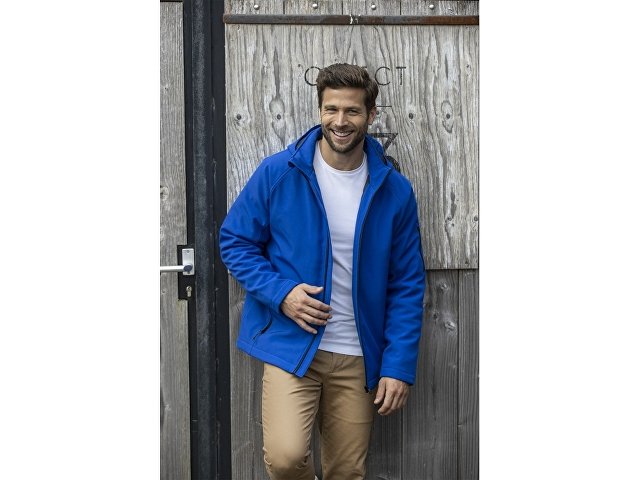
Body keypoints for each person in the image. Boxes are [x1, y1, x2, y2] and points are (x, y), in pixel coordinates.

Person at [219, 63, 426, 480]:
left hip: (358, 354)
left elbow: (406, 284)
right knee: (286, 457)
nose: (340, 121)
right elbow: (235, 241)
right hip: (292, 345)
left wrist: (398, 365)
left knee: (346, 471)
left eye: (352, 111)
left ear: (371, 114)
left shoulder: (395, 191)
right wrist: (281, 293)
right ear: (320, 110)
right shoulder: (280, 172)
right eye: (331, 109)